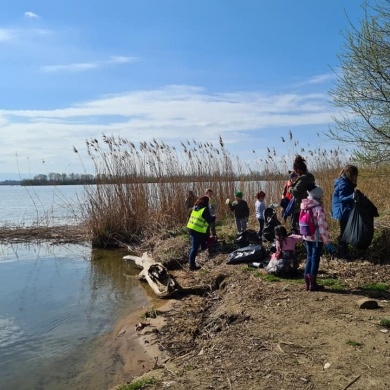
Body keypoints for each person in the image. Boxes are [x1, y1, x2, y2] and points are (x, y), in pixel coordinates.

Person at [301, 185, 335, 291]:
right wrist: (327, 241)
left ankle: (307, 283)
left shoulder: (304, 205)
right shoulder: (318, 208)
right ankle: (313, 283)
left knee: (309, 257)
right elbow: (322, 226)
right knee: (315, 258)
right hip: (316, 237)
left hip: (306, 235)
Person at [331, 165, 358, 259]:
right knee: (344, 233)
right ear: (351, 174)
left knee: (345, 232)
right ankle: (342, 253)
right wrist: (353, 196)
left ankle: (344, 252)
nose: (356, 177)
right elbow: (342, 198)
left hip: (343, 210)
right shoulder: (343, 184)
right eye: (355, 175)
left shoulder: (345, 182)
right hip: (342, 211)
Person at [186, 196, 216, 271]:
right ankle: (192, 266)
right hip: (197, 230)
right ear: (206, 202)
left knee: (200, 243)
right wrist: (214, 217)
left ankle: (203, 250)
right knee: (194, 248)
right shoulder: (205, 209)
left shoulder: (195, 207)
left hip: (191, 228)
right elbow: (209, 220)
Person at [289, 155, 315, 233]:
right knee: (304, 223)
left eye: (295, 170)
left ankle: (300, 239)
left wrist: (290, 188)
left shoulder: (304, 178)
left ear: (299, 170)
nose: (295, 172)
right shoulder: (308, 177)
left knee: (299, 224)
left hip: (301, 205)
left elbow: (296, 191)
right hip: (306, 204)